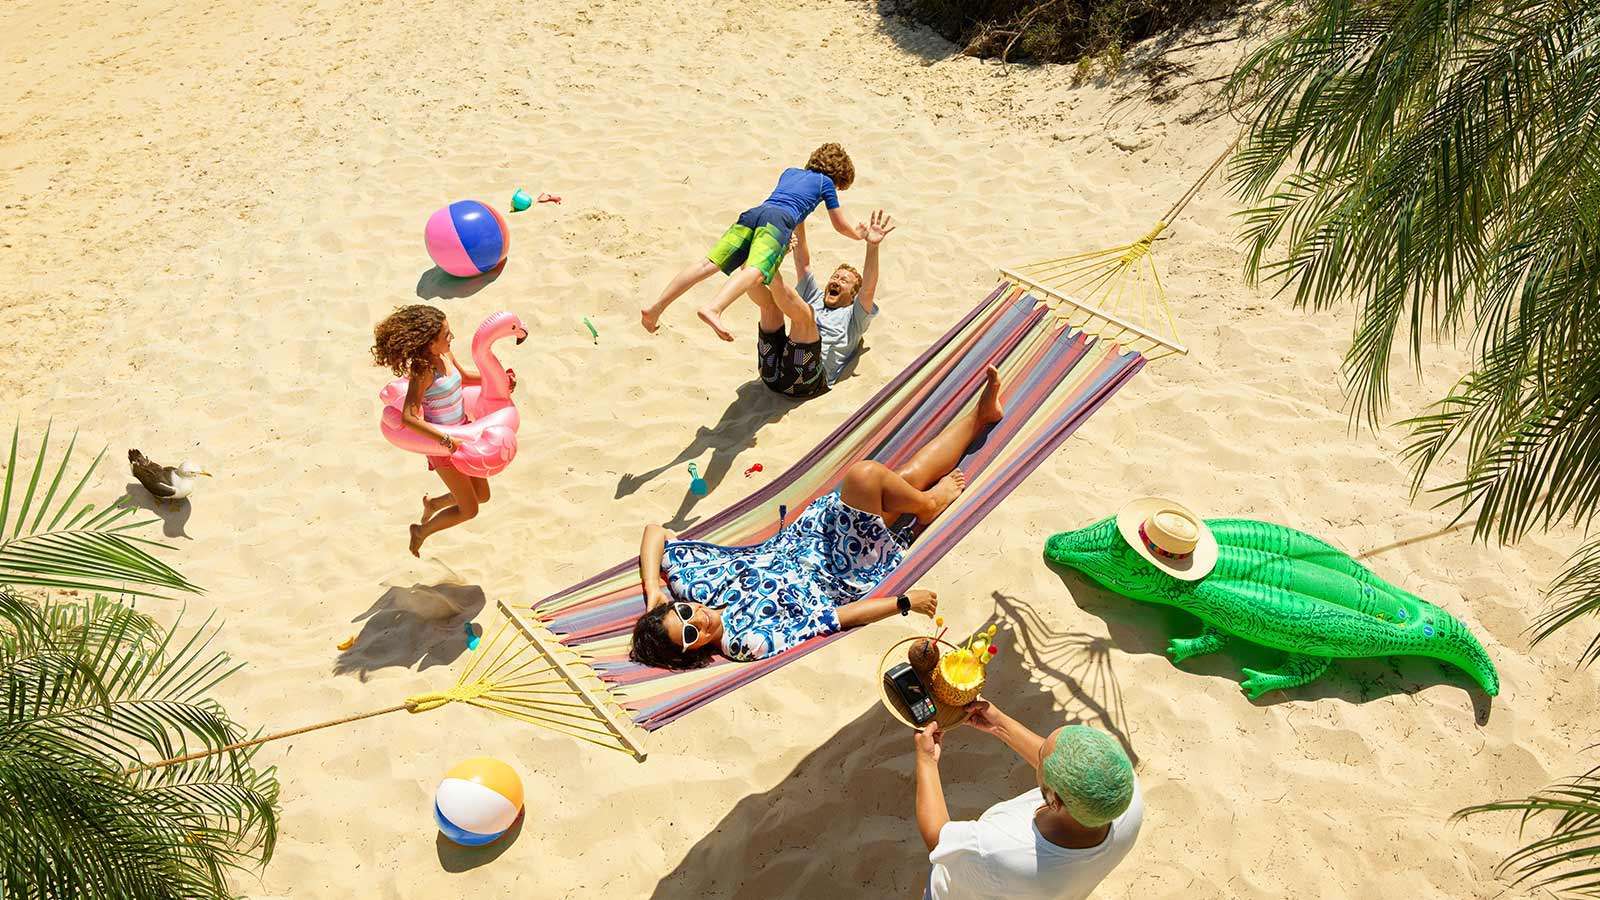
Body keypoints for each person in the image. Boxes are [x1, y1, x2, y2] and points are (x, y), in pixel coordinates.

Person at [628, 366, 1007, 668]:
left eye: (683, 613)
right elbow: (833, 619)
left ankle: (978, 420)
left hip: (811, 532)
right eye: (691, 635)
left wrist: (652, 593)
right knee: (866, 476)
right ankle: (926, 504)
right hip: (842, 569)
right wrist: (903, 603)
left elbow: (654, 532)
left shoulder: (694, 587)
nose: (697, 619)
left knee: (902, 478)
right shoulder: (747, 641)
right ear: (692, 652)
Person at [913, 701, 1143, 900]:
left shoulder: (998, 847)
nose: (1040, 750)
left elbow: (938, 836)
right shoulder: (1124, 794)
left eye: (1042, 756)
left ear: (1054, 801)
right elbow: (1068, 766)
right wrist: (1000, 724)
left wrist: (926, 760)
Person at [639, 143, 865, 338]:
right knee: (756, 272)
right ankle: (714, 308)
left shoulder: (790, 172)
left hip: (755, 213)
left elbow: (793, 204)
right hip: (778, 221)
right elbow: (839, 225)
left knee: (707, 264)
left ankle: (655, 308)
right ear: (838, 177)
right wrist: (858, 235)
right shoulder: (825, 183)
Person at [370, 305, 512, 557]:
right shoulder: (423, 370)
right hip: (443, 446)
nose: (451, 337)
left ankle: (434, 503)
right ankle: (420, 531)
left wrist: (501, 379)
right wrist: (446, 441)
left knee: (482, 495)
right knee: (469, 509)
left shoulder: (446, 355)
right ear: (429, 343)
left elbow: (466, 378)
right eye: (446, 334)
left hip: (466, 432)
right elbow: (409, 416)